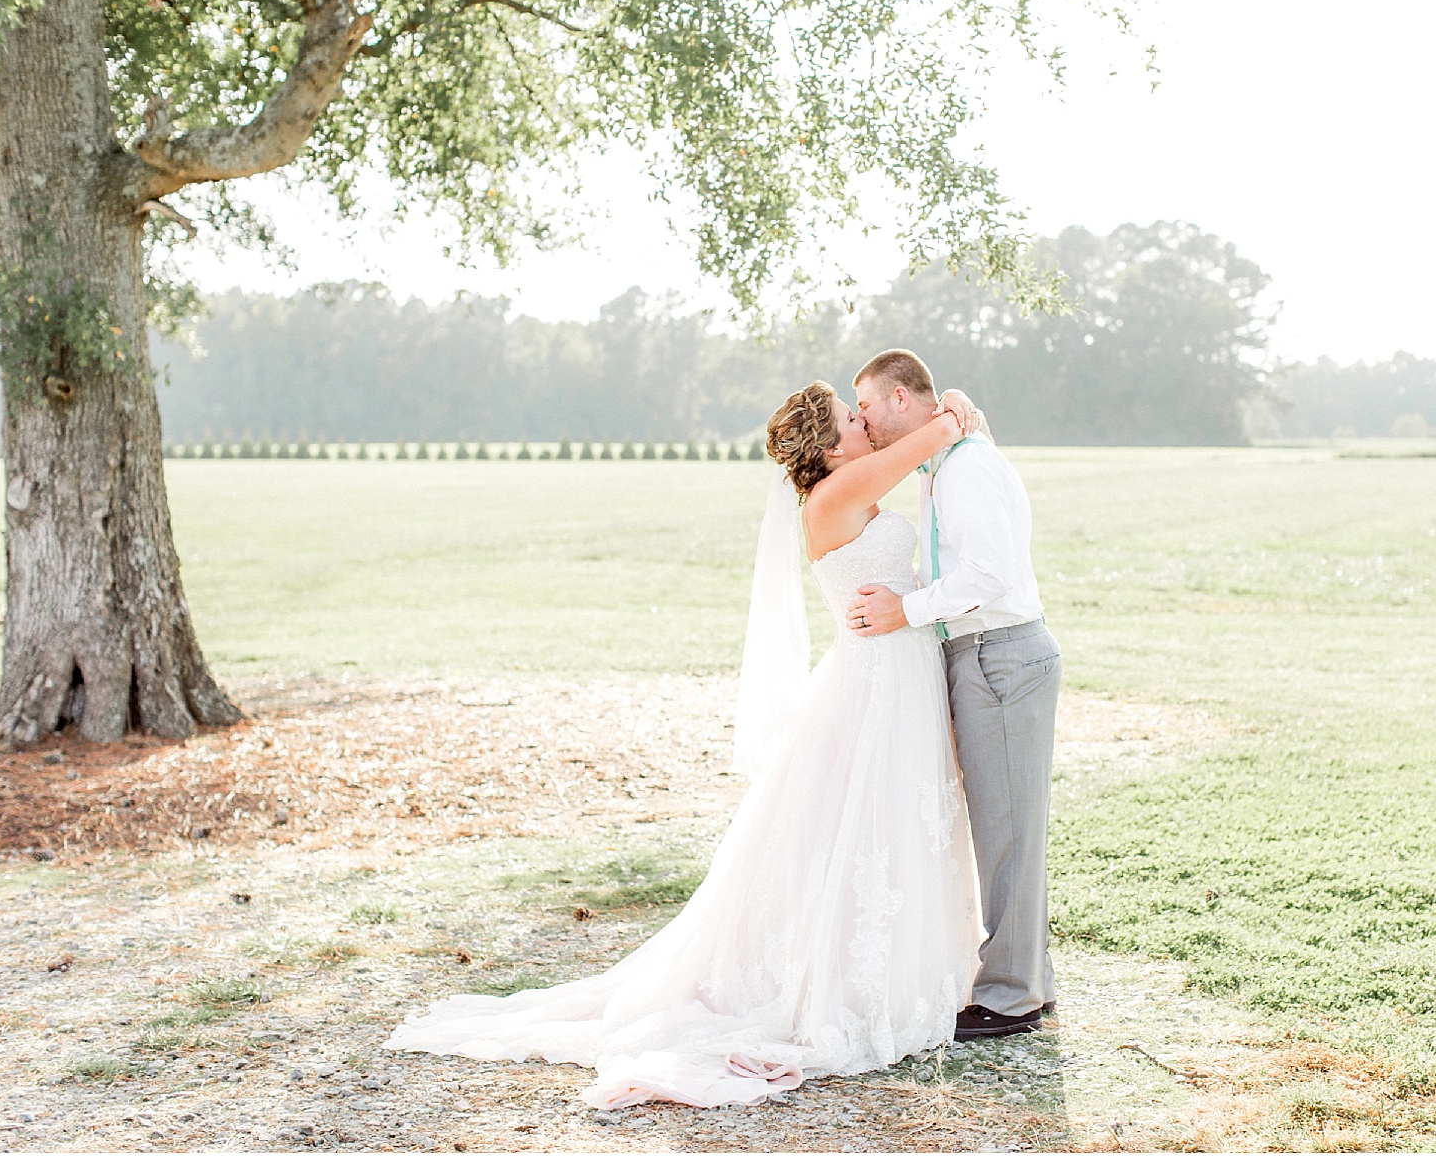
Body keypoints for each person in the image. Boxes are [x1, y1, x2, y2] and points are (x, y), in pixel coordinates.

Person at [384, 381, 987, 1110]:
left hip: (894, 676)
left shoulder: (848, 484)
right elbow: (937, 432)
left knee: (882, 832)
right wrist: (952, 407)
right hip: (874, 686)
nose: (865, 424)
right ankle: (854, 986)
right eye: (853, 417)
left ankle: (905, 970)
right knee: (863, 830)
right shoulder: (836, 493)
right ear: (830, 446)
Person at [847, 349, 1062, 1040]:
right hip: (983, 653)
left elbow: (989, 575)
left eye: (870, 408)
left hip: (999, 654)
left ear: (904, 399)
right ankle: (1029, 977)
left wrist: (904, 610)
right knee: (1007, 827)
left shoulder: (965, 467)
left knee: (1008, 832)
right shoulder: (948, 461)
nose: (866, 425)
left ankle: (1011, 994)